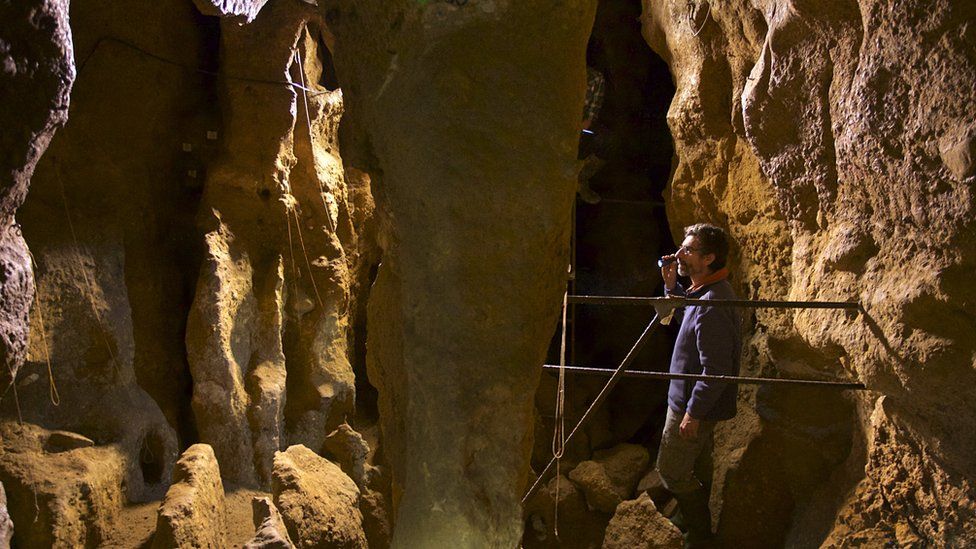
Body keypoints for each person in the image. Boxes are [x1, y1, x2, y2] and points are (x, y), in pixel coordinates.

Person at [656, 223, 741, 548]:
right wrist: (671, 286)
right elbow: (687, 325)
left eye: (688, 250)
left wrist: (693, 413)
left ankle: (700, 535)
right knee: (698, 462)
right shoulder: (706, 294)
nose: (679, 254)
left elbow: (716, 369)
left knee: (672, 471)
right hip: (692, 401)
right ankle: (690, 519)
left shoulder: (713, 305)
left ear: (708, 258)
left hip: (691, 405)